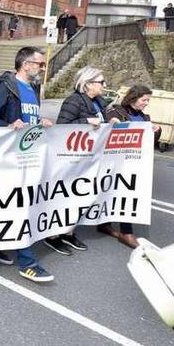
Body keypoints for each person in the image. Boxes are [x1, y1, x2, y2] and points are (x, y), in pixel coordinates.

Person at [0, 46, 56, 283]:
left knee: (13, 208)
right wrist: (8, 125)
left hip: (27, 159)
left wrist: (39, 122)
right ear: (26, 64)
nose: (42, 68)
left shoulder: (33, 89)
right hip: (8, 160)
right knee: (21, 209)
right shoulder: (5, 89)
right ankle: (27, 262)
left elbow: (29, 119)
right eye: (40, 64)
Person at [45, 66, 111, 256]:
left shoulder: (98, 101)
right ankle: (53, 237)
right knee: (65, 199)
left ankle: (68, 232)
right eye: (101, 82)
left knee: (81, 199)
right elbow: (62, 127)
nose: (104, 85)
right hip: (71, 159)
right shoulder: (74, 101)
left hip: (89, 159)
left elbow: (102, 123)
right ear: (88, 83)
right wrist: (87, 122)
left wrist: (109, 123)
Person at [103, 84, 161, 249]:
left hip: (133, 164)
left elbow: (149, 144)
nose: (146, 103)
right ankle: (125, 232)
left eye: (148, 100)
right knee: (117, 194)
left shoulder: (144, 117)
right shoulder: (116, 111)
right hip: (115, 163)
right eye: (144, 100)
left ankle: (108, 225)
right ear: (134, 98)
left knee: (123, 194)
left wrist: (156, 131)